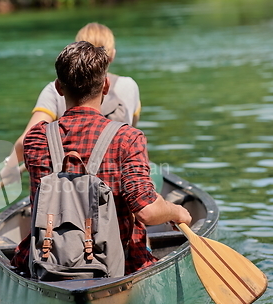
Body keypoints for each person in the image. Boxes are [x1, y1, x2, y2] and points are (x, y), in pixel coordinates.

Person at [11, 41, 191, 275]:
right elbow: (146, 211)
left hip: (46, 262)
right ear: (105, 86)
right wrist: (176, 211)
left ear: (58, 88)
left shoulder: (36, 138)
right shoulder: (128, 138)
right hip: (119, 265)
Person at [0, 22, 141, 179]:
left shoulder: (55, 89)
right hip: (115, 178)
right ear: (112, 55)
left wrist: (9, 167)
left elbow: (25, 141)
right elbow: (132, 126)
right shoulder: (129, 86)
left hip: (68, 182)